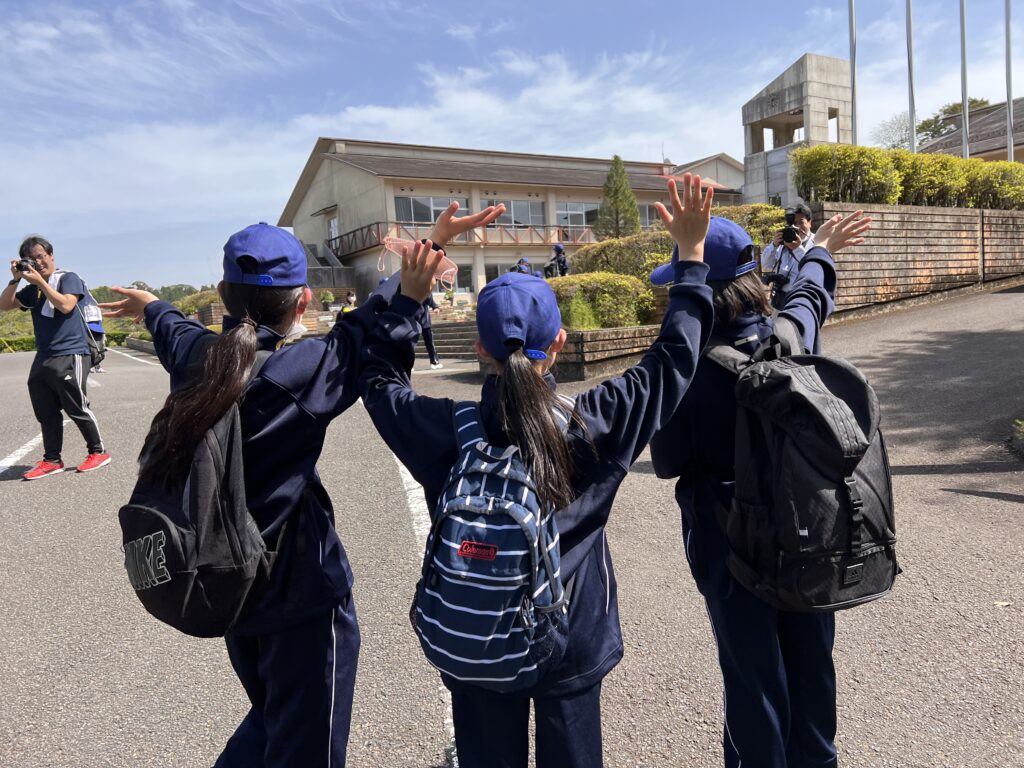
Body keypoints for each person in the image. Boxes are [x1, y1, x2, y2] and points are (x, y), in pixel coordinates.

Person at [99, 221, 527, 767]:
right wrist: (425, 260)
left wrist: (153, 305)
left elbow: (173, 327)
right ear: (303, 301)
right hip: (301, 599)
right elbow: (370, 325)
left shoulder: (197, 359)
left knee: (272, 716)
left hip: (231, 588)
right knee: (307, 746)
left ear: (223, 293)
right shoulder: (296, 372)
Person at [359, 175, 715, 768]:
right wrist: (692, 257)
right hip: (571, 637)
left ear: (480, 349)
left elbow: (377, 381)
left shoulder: (444, 429)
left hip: (477, 637)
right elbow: (673, 357)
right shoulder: (594, 422)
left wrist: (409, 297)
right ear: (559, 344)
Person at [649, 209, 871, 768]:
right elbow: (809, 299)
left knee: (753, 678)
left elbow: (668, 461)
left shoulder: (686, 369)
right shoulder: (788, 337)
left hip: (730, 543)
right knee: (811, 661)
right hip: (807, 530)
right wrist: (819, 250)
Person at [0, 236, 111, 479]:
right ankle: (52, 459)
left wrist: (40, 282)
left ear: (51, 255)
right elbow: (5, 305)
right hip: (45, 354)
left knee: (76, 406)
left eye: (41, 256)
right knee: (45, 410)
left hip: (72, 351)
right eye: (32, 259)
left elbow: (66, 305)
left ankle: (98, 452)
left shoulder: (67, 278)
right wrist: (15, 279)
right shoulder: (32, 290)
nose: (38, 262)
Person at [761, 202, 814, 308]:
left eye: (801, 222)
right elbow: (766, 264)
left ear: (809, 222)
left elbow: (813, 269)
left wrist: (797, 249)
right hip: (780, 299)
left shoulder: (816, 243)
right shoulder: (784, 241)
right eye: (794, 223)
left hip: (802, 300)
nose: (797, 226)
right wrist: (774, 245)